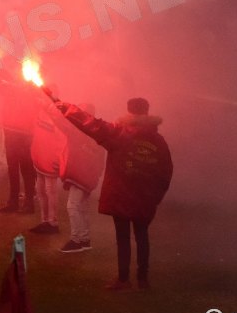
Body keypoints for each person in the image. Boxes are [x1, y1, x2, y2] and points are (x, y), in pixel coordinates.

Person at [56, 97, 173, 290]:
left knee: (123, 238)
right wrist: (155, 197)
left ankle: (123, 279)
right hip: (145, 199)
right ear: (147, 112)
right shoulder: (158, 141)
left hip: (121, 196)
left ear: (129, 111)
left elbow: (91, 124)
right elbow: (166, 171)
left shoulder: (119, 134)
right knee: (142, 237)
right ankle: (143, 279)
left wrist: (66, 108)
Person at [55, 103, 106, 253]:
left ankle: (76, 240)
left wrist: (54, 110)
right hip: (87, 176)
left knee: (73, 206)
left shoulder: (80, 131)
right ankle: (85, 239)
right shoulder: (98, 132)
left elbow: (62, 126)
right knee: (82, 208)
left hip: (81, 175)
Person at [0, 78, 39, 214]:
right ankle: (13, 202)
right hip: (10, 136)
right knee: (12, 170)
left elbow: (31, 118)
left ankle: (29, 204)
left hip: (23, 137)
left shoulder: (29, 97)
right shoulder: (9, 95)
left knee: (27, 171)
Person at [28, 95, 65, 234]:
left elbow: (61, 140)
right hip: (39, 157)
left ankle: (53, 223)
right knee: (40, 191)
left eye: (44, 98)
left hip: (50, 161)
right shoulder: (40, 112)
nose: (41, 100)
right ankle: (44, 221)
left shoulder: (57, 117)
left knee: (50, 192)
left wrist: (58, 159)